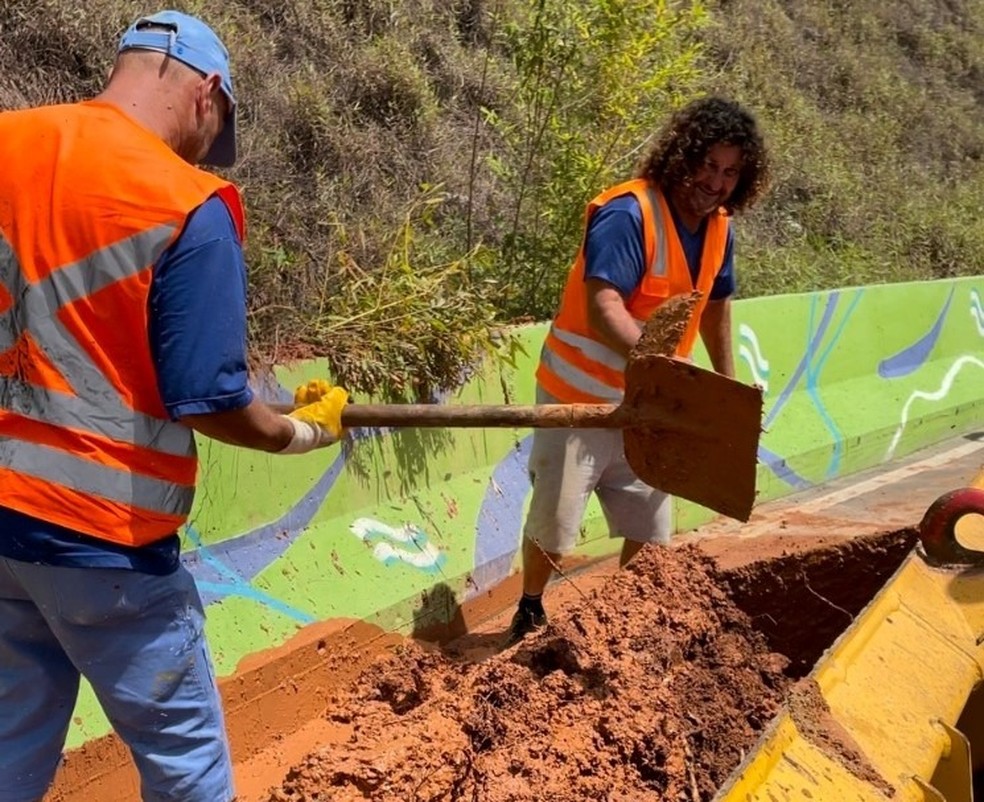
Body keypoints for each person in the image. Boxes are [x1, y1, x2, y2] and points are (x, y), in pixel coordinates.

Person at [0, 11, 347, 802]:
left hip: (3, 522)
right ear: (208, 93)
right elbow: (208, 400)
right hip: (105, 546)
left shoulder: (9, 142)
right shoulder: (188, 202)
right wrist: (302, 430)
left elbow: (83, 342)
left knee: (10, 750)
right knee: (186, 766)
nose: (203, 150)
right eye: (213, 130)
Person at [505, 96, 770, 646]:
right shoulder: (628, 214)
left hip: (653, 410)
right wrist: (661, 369)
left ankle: (622, 627)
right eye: (708, 166)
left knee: (650, 532)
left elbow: (717, 304)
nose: (715, 182)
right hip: (579, 402)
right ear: (682, 156)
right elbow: (605, 309)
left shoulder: (719, 227)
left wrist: (726, 380)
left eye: (730, 173)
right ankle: (530, 607)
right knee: (556, 526)